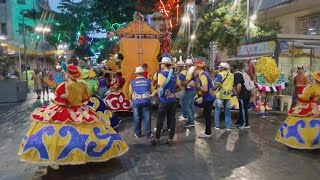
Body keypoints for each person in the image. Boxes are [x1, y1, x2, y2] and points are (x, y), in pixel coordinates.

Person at [18, 64, 129, 167]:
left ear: (67, 74)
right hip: (81, 109)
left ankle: (62, 153)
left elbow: (61, 101)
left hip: (65, 109)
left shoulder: (65, 86)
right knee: (87, 131)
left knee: (55, 133)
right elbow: (85, 99)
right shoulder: (82, 85)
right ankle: (85, 152)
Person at [275, 72, 320, 149]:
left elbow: (304, 96)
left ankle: (304, 141)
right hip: (317, 106)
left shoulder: (313, 87)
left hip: (313, 105)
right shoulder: (307, 81)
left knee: (299, 118)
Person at [151, 57, 181, 146]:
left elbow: (160, 88)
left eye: (161, 64)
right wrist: (171, 92)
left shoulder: (161, 74)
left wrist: (153, 93)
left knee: (160, 119)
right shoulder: (174, 75)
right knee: (172, 119)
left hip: (164, 101)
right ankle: (170, 139)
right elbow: (179, 87)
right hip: (173, 100)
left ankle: (157, 138)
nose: (161, 65)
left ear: (163, 65)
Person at [129, 66, 154, 142]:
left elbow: (130, 92)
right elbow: (151, 91)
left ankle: (138, 133)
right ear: (143, 73)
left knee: (137, 117)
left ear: (136, 74)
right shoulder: (148, 81)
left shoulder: (132, 82)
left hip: (136, 102)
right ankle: (148, 134)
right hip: (146, 101)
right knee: (147, 117)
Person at [193, 61, 215, 137]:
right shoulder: (206, 74)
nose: (193, 73)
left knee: (207, 115)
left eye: (194, 70)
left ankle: (208, 133)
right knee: (207, 115)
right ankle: (207, 131)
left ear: (197, 69)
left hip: (208, 98)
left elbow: (205, 89)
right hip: (210, 97)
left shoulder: (202, 75)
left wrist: (196, 85)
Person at [214, 62, 234, 130]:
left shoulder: (220, 74)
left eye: (220, 67)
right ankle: (228, 126)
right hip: (228, 95)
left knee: (217, 110)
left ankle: (217, 126)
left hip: (220, 95)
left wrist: (212, 89)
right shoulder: (232, 75)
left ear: (222, 68)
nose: (219, 69)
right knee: (227, 111)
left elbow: (217, 84)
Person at [233, 63, 251, 128]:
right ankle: (240, 121)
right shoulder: (243, 73)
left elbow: (239, 85)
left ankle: (245, 123)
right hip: (247, 93)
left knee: (243, 109)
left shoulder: (237, 74)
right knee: (242, 108)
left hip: (243, 95)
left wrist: (237, 94)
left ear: (233, 68)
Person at [180, 59, 197, 127]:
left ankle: (191, 121)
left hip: (189, 90)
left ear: (186, 65)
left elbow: (185, 83)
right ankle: (192, 120)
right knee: (191, 106)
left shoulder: (189, 72)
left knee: (186, 105)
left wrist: (182, 82)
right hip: (193, 90)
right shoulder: (192, 71)